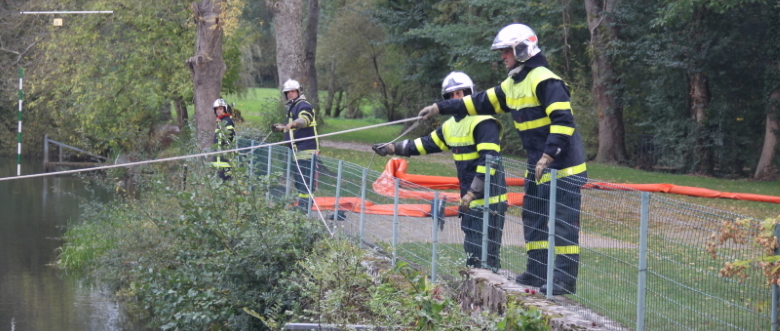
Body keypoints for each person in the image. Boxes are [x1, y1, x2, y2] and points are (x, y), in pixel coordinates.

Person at [418, 24, 588, 295]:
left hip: (564, 168)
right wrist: (441, 107)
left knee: (563, 226)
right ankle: (537, 272)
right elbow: (477, 103)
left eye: (506, 51)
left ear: (522, 49)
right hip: (538, 168)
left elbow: (564, 122)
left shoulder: (546, 80)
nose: (502, 56)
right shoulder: (513, 84)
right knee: (533, 219)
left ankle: (563, 280)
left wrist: (548, 154)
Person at [373, 72, 507, 271]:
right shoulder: (450, 126)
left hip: (490, 201)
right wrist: (392, 148)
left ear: (470, 93)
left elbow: (490, 162)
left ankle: (487, 294)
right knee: (473, 253)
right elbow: (425, 144)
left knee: (485, 256)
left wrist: (473, 192)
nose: (456, 98)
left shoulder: (484, 122)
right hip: (469, 201)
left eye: (460, 93)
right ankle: (474, 293)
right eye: (452, 95)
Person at [272, 79, 320, 213]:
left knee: (305, 181)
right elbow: (291, 129)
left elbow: (305, 119)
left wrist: (294, 124)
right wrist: (281, 128)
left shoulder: (303, 105)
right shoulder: (293, 107)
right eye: (287, 93)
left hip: (306, 149)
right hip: (297, 150)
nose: (290, 94)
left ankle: (305, 208)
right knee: (299, 181)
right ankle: (302, 206)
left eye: (292, 91)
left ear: (298, 91)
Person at [212, 98, 235, 180]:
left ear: (225, 109)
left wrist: (221, 125)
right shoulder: (220, 121)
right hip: (219, 162)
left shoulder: (227, 121)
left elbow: (230, 137)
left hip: (225, 163)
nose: (218, 111)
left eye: (220, 108)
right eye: (217, 109)